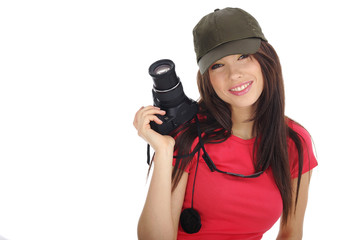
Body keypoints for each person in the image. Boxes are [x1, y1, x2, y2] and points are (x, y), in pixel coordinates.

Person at [133, 7, 318, 240]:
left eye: (243, 56)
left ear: (265, 60)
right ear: (207, 79)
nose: (234, 74)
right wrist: (164, 150)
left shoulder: (294, 141)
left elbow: (291, 233)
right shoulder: (189, 134)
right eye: (218, 65)